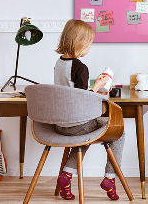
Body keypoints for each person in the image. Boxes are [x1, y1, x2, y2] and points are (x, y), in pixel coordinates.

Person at [54, 19, 124, 201]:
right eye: (90, 43)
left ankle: (66, 176)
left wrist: (93, 87)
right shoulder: (80, 67)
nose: (90, 47)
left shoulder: (59, 63)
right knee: (119, 132)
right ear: (80, 43)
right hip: (77, 124)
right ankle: (110, 178)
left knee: (84, 136)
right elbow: (81, 99)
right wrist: (98, 87)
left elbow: (71, 92)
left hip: (60, 124)